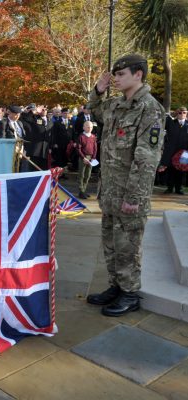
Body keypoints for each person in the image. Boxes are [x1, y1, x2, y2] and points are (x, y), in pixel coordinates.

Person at [85, 54, 165, 317]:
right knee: (111, 241)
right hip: (110, 190)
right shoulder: (117, 105)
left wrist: (134, 197)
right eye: (114, 75)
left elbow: (146, 159)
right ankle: (116, 286)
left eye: (120, 74)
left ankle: (130, 293)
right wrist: (98, 89)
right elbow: (93, 109)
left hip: (130, 194)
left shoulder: (150, 109)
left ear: (138, 74)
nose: (116, 79)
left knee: (128, 245)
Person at [159, 106, 188, 194]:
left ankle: (179, 188)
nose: (182, 114)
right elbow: (161, 121)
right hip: (171, 150)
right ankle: (170, 188)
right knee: (170, 169)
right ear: (177, 113)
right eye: (180, 112)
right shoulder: (171, 123)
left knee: (181, 170)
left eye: (184, 113)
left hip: (184, 151)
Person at [76, 121, 97, 199]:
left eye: (91, 127)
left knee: (88, 175)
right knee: (81, 175)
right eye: (88, 127)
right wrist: (83, 158)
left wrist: (93, 158)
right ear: (84, 127)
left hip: (91, 158)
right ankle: (81, 191)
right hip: (83, 158)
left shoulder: (93, 136)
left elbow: (95, 148)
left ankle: (84, 190)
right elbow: (78, 148)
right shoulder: (81, 136)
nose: (90, 128)